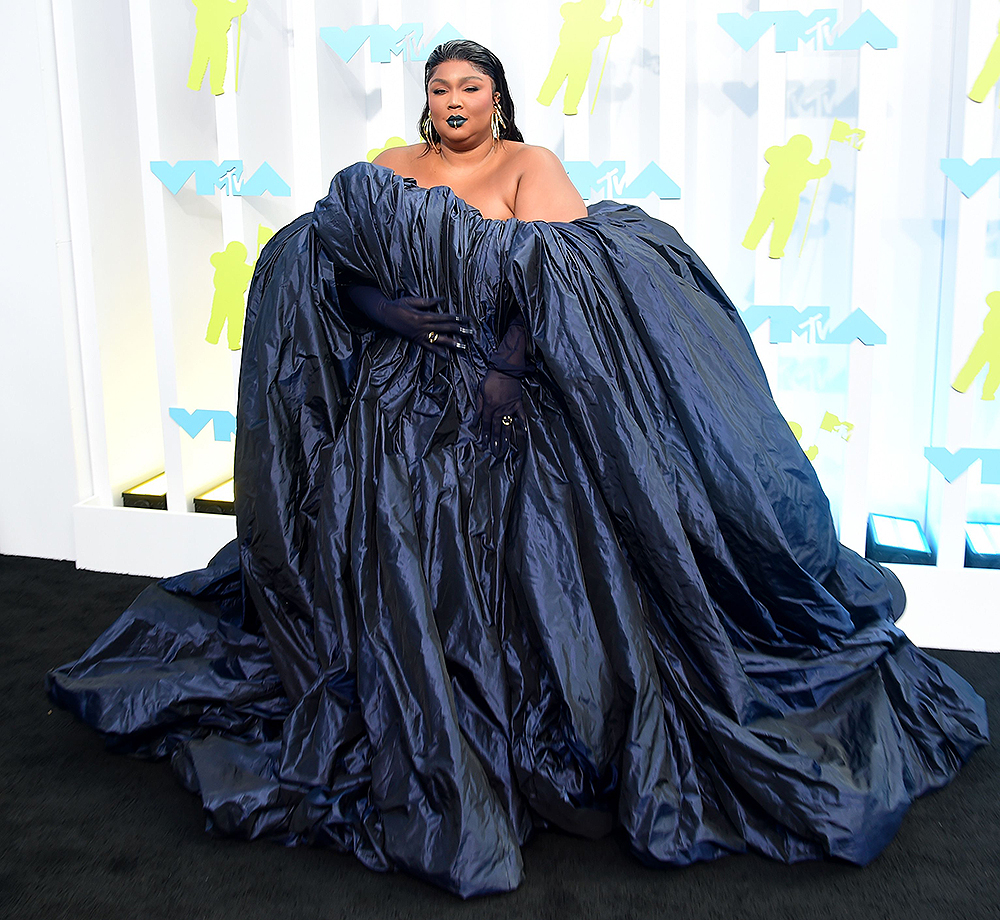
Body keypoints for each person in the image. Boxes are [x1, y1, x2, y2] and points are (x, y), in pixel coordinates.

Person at [49, 40, 988, 899]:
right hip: (393, 405)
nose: (453, 100)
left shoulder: (529, 168)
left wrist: (503, 372)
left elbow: (566, 285)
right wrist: (390, 316)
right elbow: (330, 268)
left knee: (532, 574)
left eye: (470, 87)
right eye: (439, 88)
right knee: (383, 551)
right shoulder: (387, 170)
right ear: (425, 103)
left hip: (506, 401)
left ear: (497, 98)